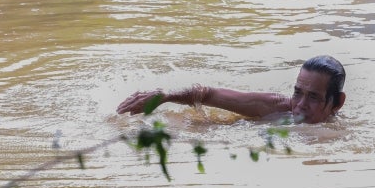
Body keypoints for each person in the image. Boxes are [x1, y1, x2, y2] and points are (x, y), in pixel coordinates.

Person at [116, 55, 346, 124]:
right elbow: (208, 94)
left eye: (314, 97)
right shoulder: (277, 107)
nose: (301, 104)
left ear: (336, 103)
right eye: (297, 92)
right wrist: (165, 96)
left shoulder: (344, 137)